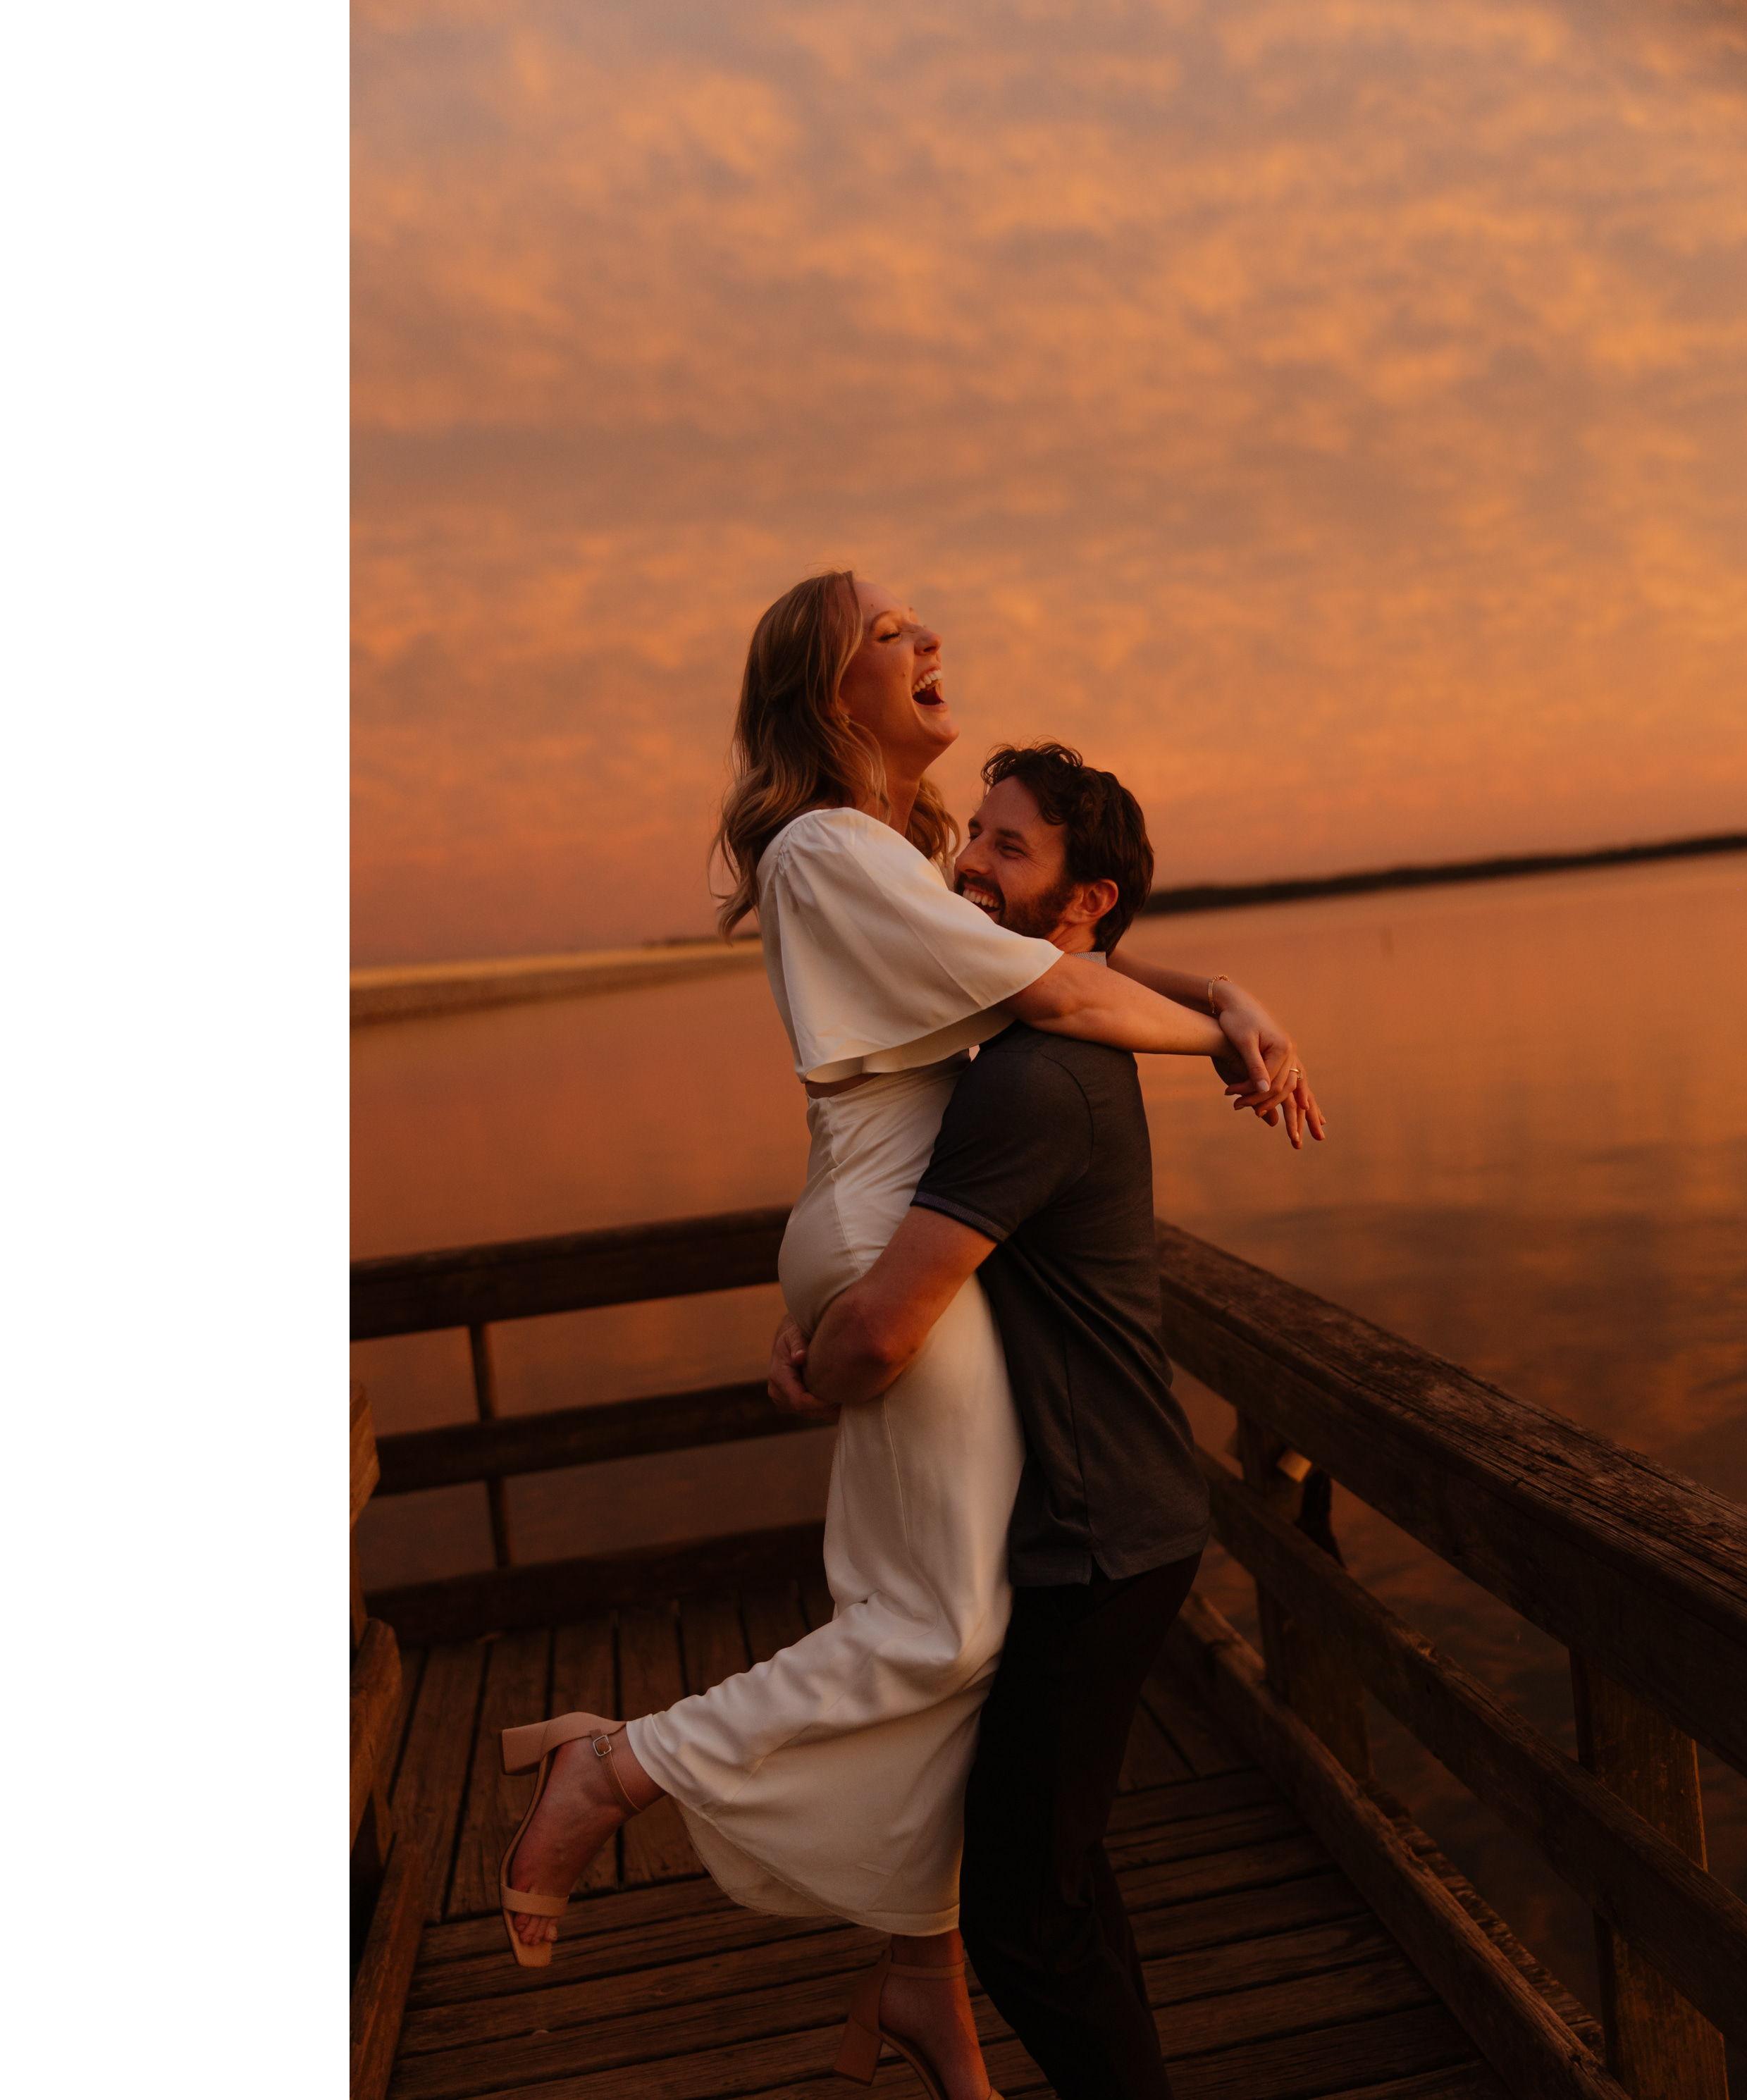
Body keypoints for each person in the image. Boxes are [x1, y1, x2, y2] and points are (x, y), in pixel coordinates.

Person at [492, 572, 1321, 2100]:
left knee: (934, 1615)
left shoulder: (882, 860)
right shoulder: (830, 845)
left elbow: (1066, 961)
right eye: (886, 634)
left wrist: (1225, 987)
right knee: (943, 1627)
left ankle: (921, 1969)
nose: (926, 639)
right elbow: (1063, 990)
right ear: (826, 696)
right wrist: (1228, 1033)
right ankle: (616, 1767)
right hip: (892, 1227)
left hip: (871, 1214)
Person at [770, 741, 1267, 2097]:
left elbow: (889, 1329)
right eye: (971, 835)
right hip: (1103, 1520)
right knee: (1060, 1871)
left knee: (1023, 1915)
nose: (966, 865)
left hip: (1101, 1537)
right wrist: (1226, 999)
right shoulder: (1024, 1041)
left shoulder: (1030, 1078)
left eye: (1007, 847)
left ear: (1084, 900)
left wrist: (821, 1361)